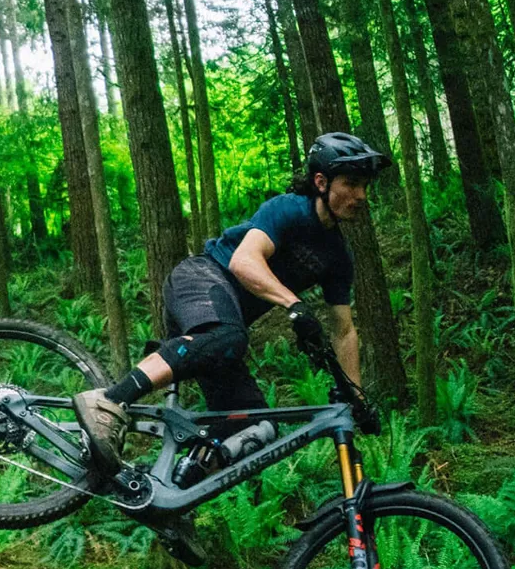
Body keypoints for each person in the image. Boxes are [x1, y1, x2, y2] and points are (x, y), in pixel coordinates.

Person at [72, 132, 388, 480]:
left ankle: (170, 487)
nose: (361, 195)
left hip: (224, 329)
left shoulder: (338, 255)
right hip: (201, 279)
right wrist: (294, 304)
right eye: (351, 184)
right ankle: (109, 401)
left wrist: (356, 399)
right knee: (228, 336)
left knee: (257, 427)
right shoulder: (289, 209)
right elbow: (244, 261)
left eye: (365, 187)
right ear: (321, 182)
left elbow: (344, 331)